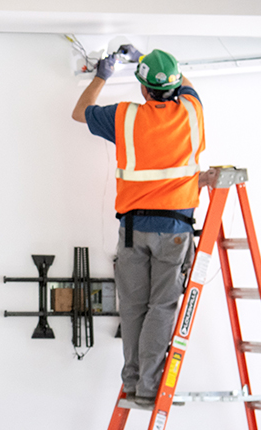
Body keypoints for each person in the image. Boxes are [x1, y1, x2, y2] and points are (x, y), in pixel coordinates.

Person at [72, 46, 206, 408]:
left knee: (132, 308)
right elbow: (185, 87)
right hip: (174, 229)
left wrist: (103, 74)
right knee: (161, 306)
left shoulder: (126, 117)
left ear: (142, 89)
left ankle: (132, 384)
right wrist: (156, 62)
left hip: (133, 230)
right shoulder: (192, 112)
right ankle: (148, 389)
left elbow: (78, 112)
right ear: (175, 88)